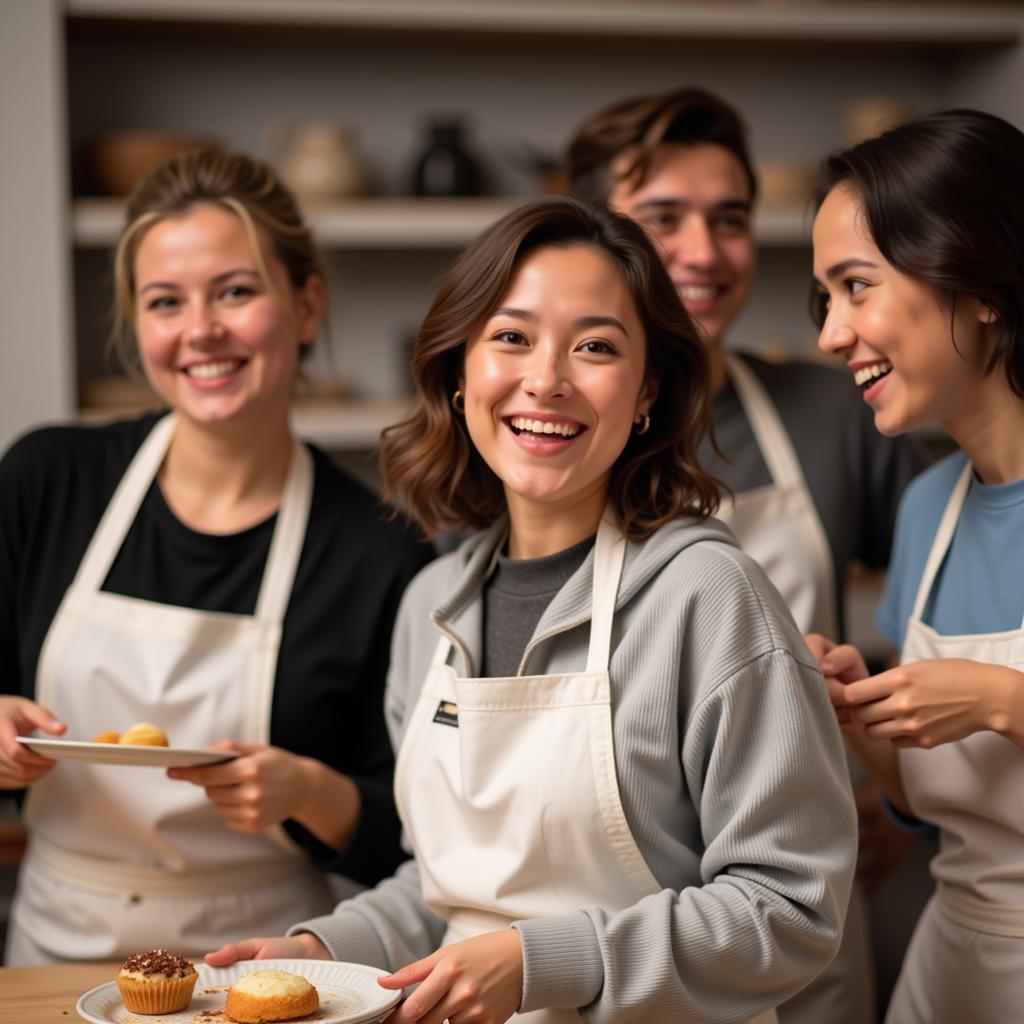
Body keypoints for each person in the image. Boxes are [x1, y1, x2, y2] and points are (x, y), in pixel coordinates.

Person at [207, 196, 857, 1024]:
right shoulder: (429, 609)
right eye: (510, 337)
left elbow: (791, 909)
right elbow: (447, 887)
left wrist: (544, 958)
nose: (545, 379)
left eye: (594, 347)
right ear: (459, 370)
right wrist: (327, 950)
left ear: (647, 389)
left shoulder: (708, 597)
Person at [0, 149, 432, 965]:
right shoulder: (46, 480)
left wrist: (313, 793)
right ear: (139, 326)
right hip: (51, 954)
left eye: (235, 291)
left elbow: (417, 839)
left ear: (306, 307)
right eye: (165, 302)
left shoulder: (379, 550)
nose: (200, 330)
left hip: (266, 963)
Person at [566, 87, 926, 1024]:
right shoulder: (545, 436)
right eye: (663, 219)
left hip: (800, 907)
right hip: (593, 919)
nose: (704, 252)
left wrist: (884, 792)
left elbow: (941, 598)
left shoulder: (834, 411)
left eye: (728, 219)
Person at [808, 109, 1024, 1024]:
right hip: (951, 971)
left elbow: (986, 711)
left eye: (856, 286)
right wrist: (865, 723)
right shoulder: (927, 506)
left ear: (980, 285)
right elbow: (928, 811)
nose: (829, 333)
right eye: (824, 298)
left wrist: (998, 699)